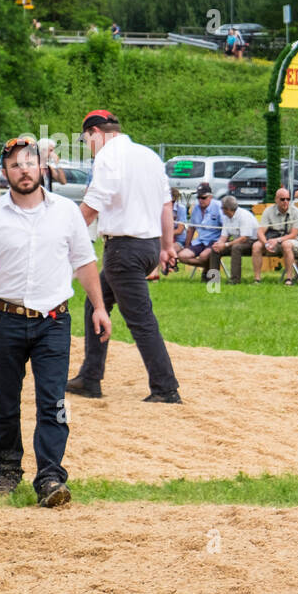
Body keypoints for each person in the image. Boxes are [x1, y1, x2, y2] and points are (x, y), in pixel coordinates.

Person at [0, 137, 111, 507]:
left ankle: (50, 477)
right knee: (6, 401)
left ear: (41, 167)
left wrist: (99, 306)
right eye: (14, 165)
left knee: (53, 401)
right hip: (5, 321)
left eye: (29, 163)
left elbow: (84, 261)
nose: (23, 170)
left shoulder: (66, 212)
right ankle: (8, 469)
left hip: (54, 322)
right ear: (5, 173)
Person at [67, 109, 182, 403]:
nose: (88, 147)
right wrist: (167, 247)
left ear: (95, 132)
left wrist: (64, 235)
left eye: (86, 140)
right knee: (96, 302)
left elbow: (94, 203)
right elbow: (166, 205)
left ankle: (166, 388)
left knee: (142, 321)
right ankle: (90, 378)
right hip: (147, 246)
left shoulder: (107, 156)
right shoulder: (149, 156)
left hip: (124, 250)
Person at [252, 188, 298, 284]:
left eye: (288, 199)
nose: (286, 202)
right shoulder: (268, 211)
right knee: (256, 246)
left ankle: (289, 279)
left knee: (286, 245)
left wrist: (278, 240)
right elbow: (260, 232)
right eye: (282, 199)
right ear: (276, 200)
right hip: (272, 241)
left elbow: (293, 234)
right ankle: (257, 279)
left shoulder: (296, 212)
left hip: (292, 241)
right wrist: (266, 243)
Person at [208, 195, 258, 284]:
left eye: (222, 208)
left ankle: (235, 279)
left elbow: (244, 238)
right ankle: (213, 279)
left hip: (251, 242)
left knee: (236, 248)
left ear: (227, 209)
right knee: (215, 249)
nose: (221, 210)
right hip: (237, 241)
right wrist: (219, 244)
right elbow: (224, 236)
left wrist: (226, 245)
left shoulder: (244, 216)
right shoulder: (227, 217)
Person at [178, 183, 225, 277]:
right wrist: (187, 245)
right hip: (200, 241)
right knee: (182, 256)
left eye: (203, 198)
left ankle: (207, 267)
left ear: (210, 197)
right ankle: (206, 265)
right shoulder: (195, 208)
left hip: (215, 241)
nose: (200, 200)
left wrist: (221, 243)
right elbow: (191, 228)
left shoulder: (219, 207)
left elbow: (226, 228)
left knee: (204, 256)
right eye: (198, 197)